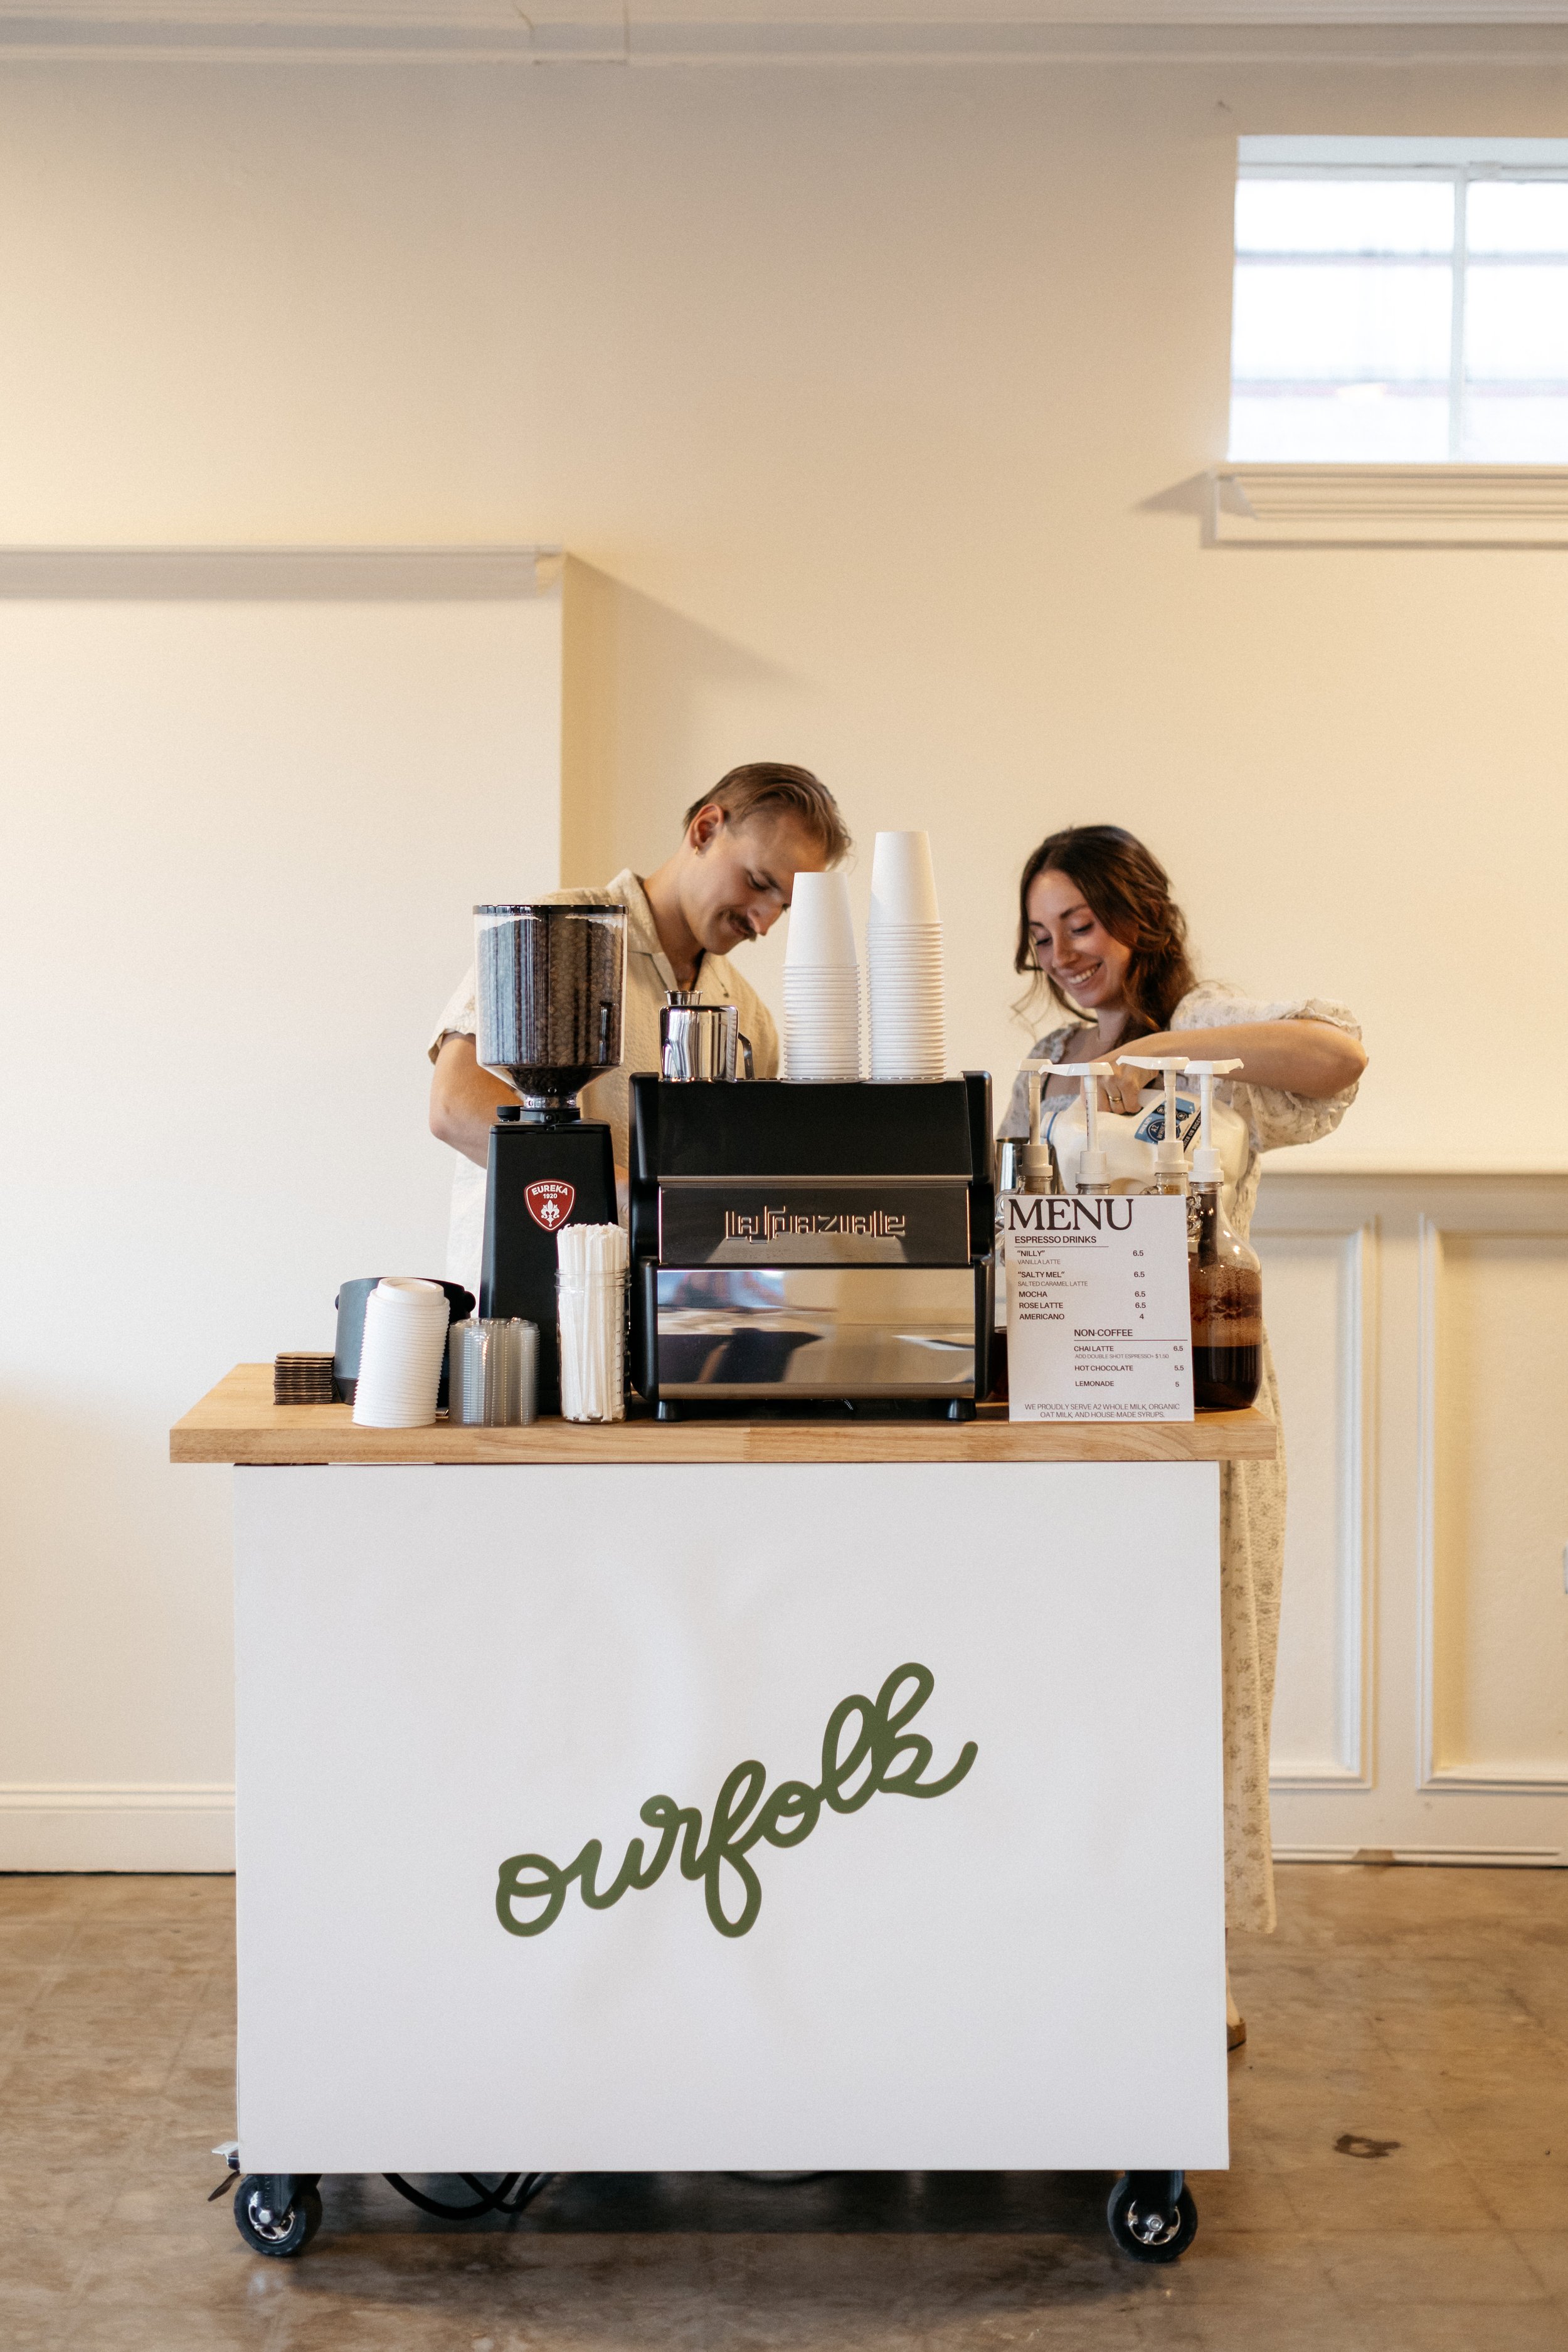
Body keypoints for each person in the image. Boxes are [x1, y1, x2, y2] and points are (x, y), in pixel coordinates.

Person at [999, 824, 1367, 2044]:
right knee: (1087, 1672)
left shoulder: (1213, 1032)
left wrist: (1153, 1051)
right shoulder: (1043, 1068)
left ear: (1137, 917)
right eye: (1042, 934)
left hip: (1206, 1391)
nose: (1062, 953)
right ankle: (1084, 1927)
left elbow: (1336, 1055)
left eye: (1081, 925)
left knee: (1205, 1669)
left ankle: (1189, 1956)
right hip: (1073, 1399)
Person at [428, 763, 852, 1291]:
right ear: (705, 830)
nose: (763, 922)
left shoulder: (753, 1021)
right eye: (758, 883)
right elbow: (454, 1106)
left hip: (668, 1319)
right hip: (524, 1311)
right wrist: (634, 1198)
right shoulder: (558, 931)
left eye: (782, 907)